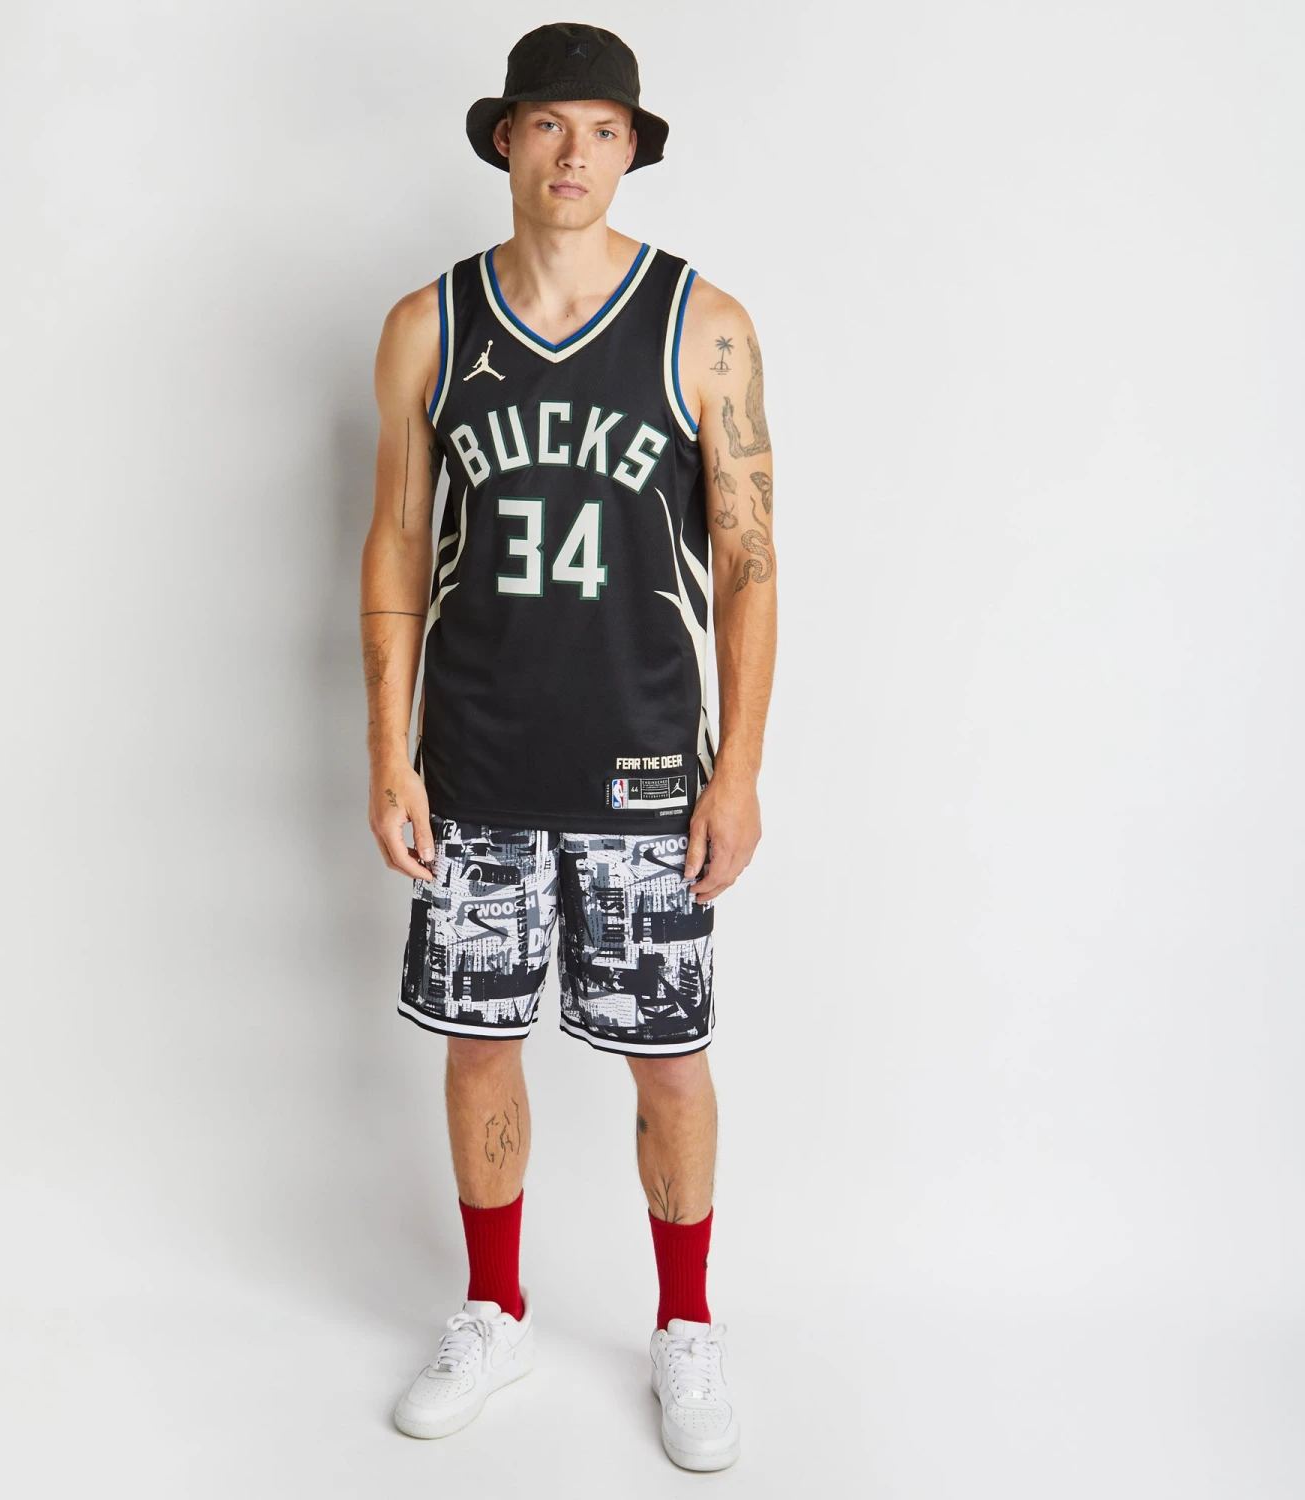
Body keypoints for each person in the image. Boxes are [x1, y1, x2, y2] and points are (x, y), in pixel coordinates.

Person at [359, 21, 776, 1473]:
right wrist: (388, 749)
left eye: (604, 129)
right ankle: (495, 1310)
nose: (574, 154)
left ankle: (686, 1326)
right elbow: (396, 542)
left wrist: (739, 770)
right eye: (549, 124)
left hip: (648, 766)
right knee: (480, 1044)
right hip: (474, 759)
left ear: (633, 149)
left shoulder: (703, 324)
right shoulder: (430, 325)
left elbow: (750, 565)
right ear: (505, 138)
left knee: (669, 1062)